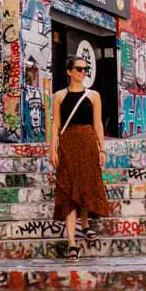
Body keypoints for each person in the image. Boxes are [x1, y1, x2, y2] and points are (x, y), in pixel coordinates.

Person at [50, 56, 110, 261]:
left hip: (87, 145)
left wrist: (102, 149)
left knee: (85, 186)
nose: (83, 73)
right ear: (69, 72)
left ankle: (84, 225)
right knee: (68, 191)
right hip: (68, 145)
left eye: (86, 69)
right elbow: (55, 125)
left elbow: (98, 123)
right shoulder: (58, 96)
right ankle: (72, 244)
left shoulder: (94, 96)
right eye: (79, 69)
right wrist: (53, 149)